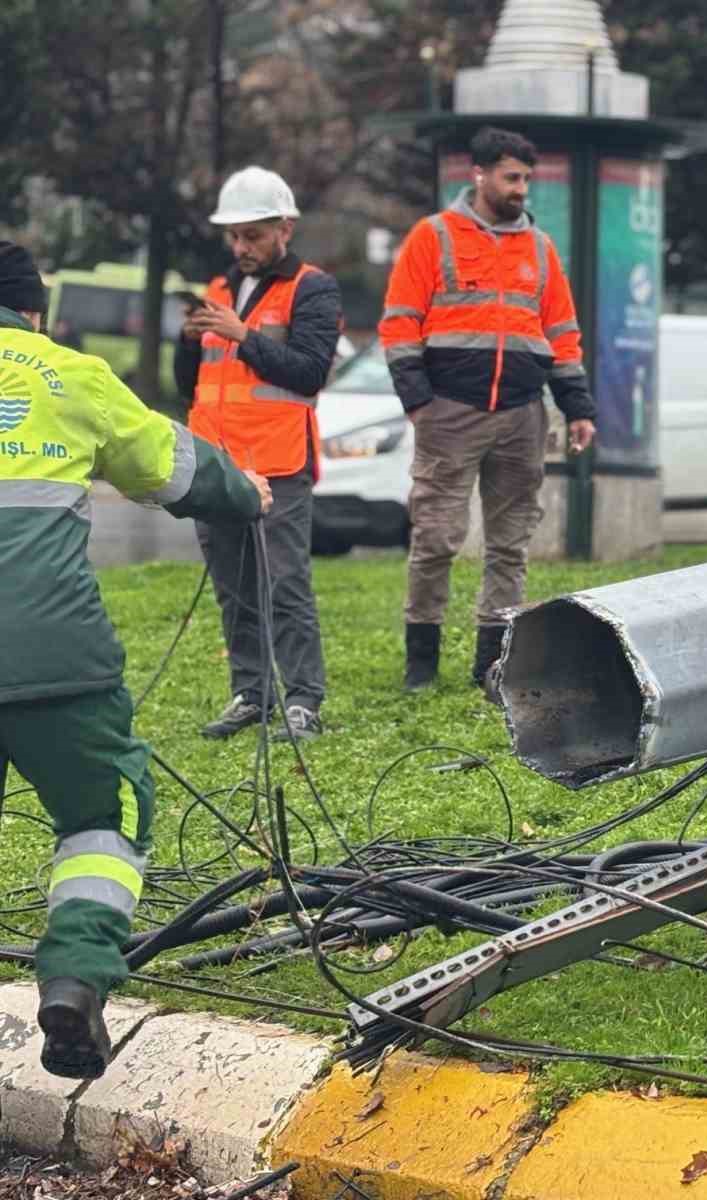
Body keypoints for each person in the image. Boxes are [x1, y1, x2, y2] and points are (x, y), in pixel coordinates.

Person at [0, 240, 270, 1078]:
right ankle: (76, 977)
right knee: (103, 819)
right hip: (57, 660)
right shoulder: (67, 374)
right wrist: (245, 490)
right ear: (35, 311)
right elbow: (177, 467)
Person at [380, 126, 596, 698]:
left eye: (527, 178)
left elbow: (563, 335)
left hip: (523, 415)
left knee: (510, 545)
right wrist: (419, 402)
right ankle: (421, 664)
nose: (521, 188)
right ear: (478, 176)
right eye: (511, 177)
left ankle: (491, 665)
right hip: (450, 412)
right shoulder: (433, 237)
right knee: (436, 538)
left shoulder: (541, 250)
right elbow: (399, 324)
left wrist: (577, 408)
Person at [175, 166, 342, 743]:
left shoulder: (312, 288)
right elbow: (188, 384)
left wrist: (243, 333)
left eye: (254, 235)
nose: (242, 247)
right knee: (234, 586)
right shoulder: (219, 291)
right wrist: (189, 341)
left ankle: (303, 700)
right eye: (235, 236)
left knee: (285, 585)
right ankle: (252, 693)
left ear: (285, 228)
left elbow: (308, 373)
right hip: (216, 466)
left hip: (278, 462)